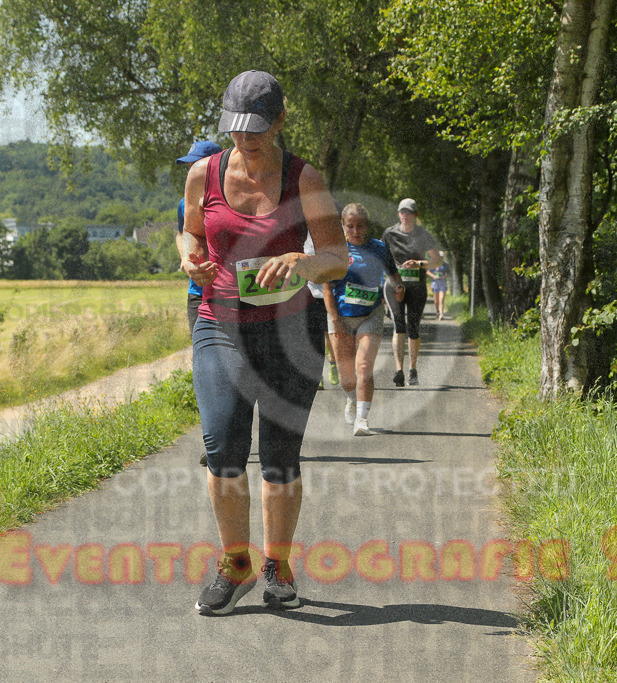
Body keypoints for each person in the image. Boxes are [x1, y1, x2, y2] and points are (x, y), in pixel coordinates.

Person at [181, 70, 348, 615]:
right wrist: (189, 258)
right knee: (222, 448)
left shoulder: (304, 178)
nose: (244, 138)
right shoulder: (204, 173)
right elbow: (192, 232)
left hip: (290, 330)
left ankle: (277, 564)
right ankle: (236, 566)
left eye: (255, 128)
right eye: (234, 127)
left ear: (279, 121)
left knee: (279, 457)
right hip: (219, 322)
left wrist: (303, 261)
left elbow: (337, 258)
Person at [323, 203, 400, 436]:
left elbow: (393, 275)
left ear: (367, 226)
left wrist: (399, 287)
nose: (356, 231)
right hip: (341, 316)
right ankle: (350, 398)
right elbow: (327, 288)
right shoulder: (336, 251)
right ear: (343, 226)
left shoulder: (379, 248)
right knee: (347, 378)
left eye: (360, 226)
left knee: (364, 368)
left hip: (371, 315)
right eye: (350, 226)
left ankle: (362, 420)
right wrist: (335, 320)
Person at [174, 139, 222, 467]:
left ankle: (235, 432)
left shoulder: (237, 199)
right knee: (207, 368)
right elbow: (182, 234)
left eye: (197, 163)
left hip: (233, 296)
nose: (191, 170)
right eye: (188, 164)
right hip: (197, 295)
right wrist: (185, 259)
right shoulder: (184, 202)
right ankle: (214, 441)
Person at [381, 198, 442, 387]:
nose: (405, 215)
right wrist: (392, 275)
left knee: (413, 327)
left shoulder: (424, 235)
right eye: (402, 212)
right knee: (398, 325)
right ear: (398, 214)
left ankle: (412, 370)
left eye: (409, 212)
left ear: (415, 214)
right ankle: (399, 370)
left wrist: (419, 264)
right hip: (395, 285)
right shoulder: (389, 234)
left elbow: (437, 261)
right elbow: (382, 258)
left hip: (417, 286)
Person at [303, 233, 340, 390]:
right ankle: (317, 374)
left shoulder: (329, 232)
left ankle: (332, 363)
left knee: (328, 334)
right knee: (313, 335)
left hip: (329, 293)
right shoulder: (302, 236)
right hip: (310, 292)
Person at [428, 256, 449, 321]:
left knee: (441, 299)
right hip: (435, 284)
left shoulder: (445, 265)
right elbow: (428, 272)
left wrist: (445, 276)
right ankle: (437, 312)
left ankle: (441, 314)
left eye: (442, 257)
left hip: (443, 283)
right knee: (436, 301)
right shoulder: (433, 264)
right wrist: (433, 276)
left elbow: (448, 273)